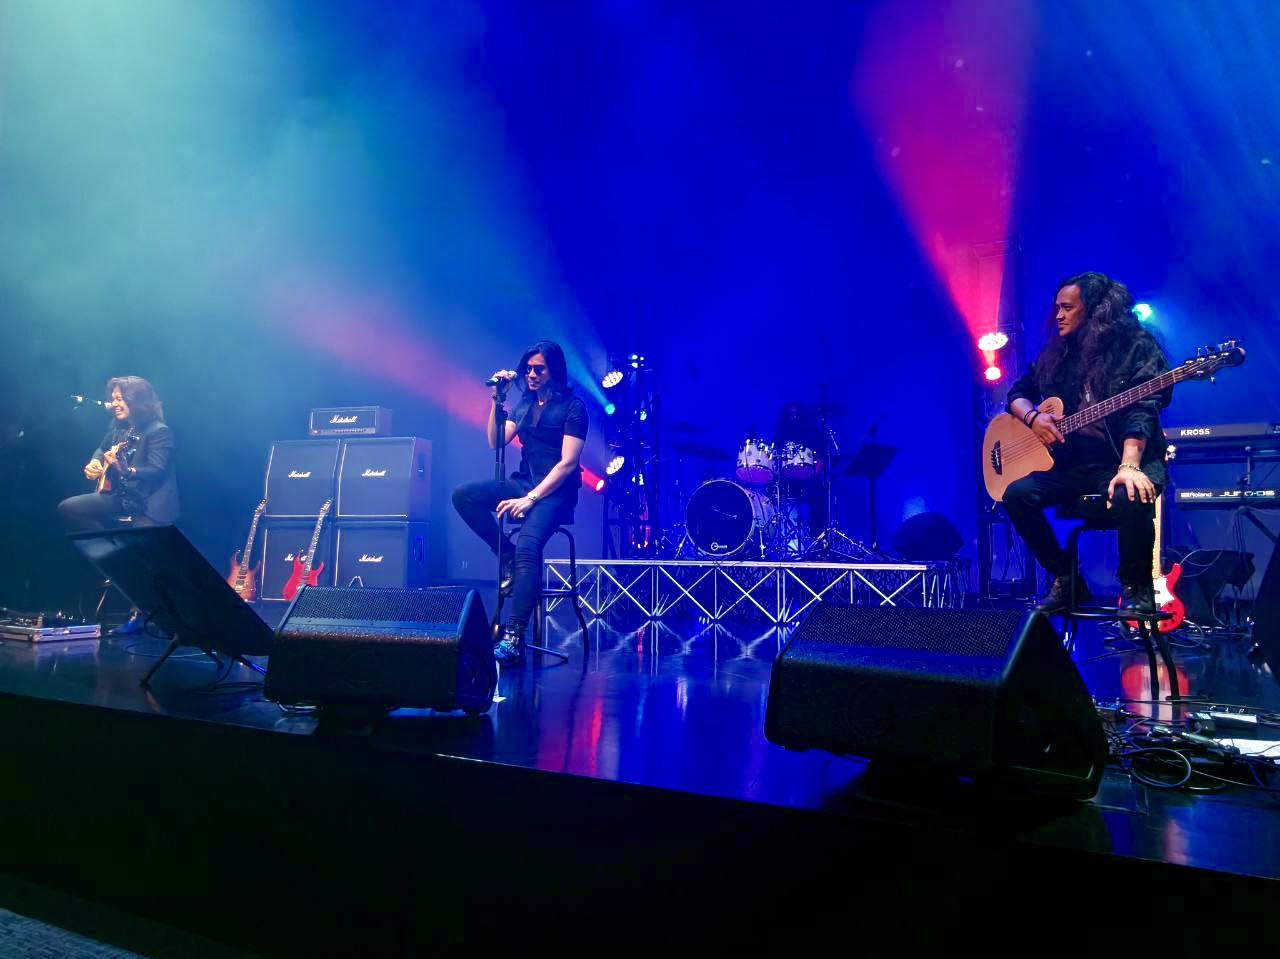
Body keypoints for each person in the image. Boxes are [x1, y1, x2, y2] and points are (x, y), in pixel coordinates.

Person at [1003, 273, 1170, 613]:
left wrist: (1129, 465)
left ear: (1093, 310)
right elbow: (1017, 395)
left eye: (1067, 308)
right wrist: (1034, 419)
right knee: (1016, 495)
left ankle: (1137, 590)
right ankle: (1067, 579)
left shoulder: (1136, 346)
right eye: (1057, 309)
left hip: (1121, 462)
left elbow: (1143, 410)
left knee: (1130, 493)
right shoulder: (1056, 354)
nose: (1059, 316)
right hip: (1073, 467)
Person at [452, 340, 588, 664]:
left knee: (529, 545)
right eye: (527, 368)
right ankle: (506, 554)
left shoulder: (573, 407)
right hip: (524, 482)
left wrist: (531, 498)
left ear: (553, 370)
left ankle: (514, 635)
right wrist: (496, 401)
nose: (531, 374)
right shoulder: (525, 405)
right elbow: (495, 440)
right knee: (464, 496)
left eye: (538, 369)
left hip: (556, 492)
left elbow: (568, 463)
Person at [58, 376, 179, 635]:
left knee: (146, 561)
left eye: (120, 399)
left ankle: (142, 614)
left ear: (138, 401)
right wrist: (95, 464)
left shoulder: (159, 431)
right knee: (70, 507)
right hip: (121, 500)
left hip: (148, 504)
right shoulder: (118, 429)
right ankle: (112, 554)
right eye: (113, 399)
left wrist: (127, 469)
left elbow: (156, 471)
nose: (114, 404)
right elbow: (100, 451)